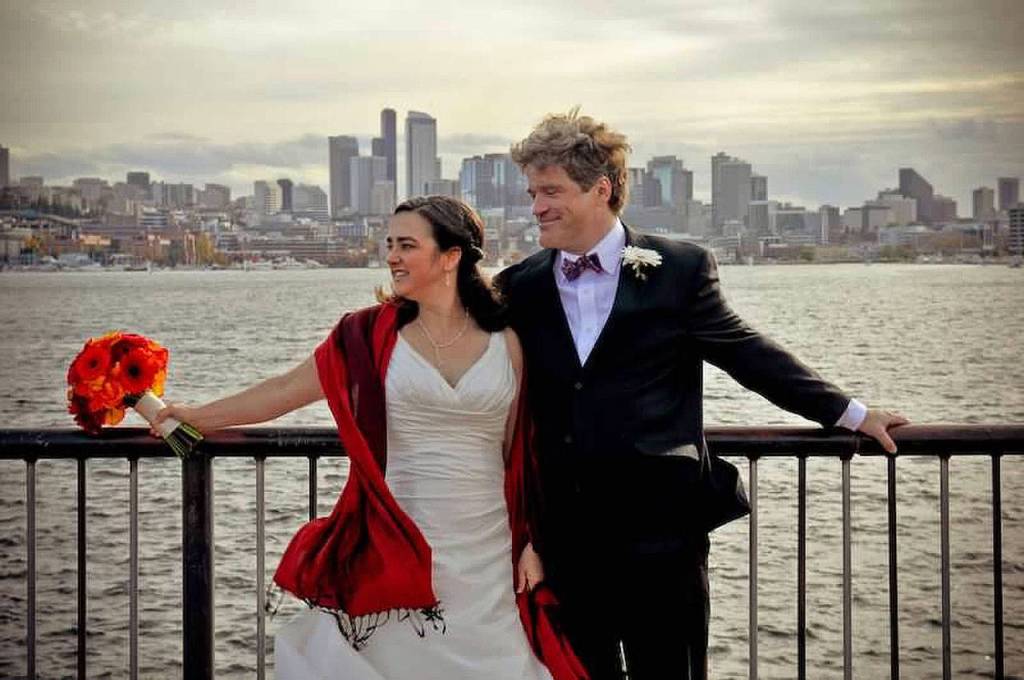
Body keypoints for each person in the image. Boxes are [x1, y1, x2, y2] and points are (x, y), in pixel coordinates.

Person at [494, 110, 908, 680]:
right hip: (566, 541)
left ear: (602, 189)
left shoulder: (680, 269)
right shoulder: (521, 286)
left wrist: (853, 413)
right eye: (532, 191)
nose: (535, 206)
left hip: (662, 535)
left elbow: (747, 353)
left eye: (550, 191)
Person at [153, 195, 586, 680]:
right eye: (389, 244)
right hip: (397, 537)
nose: (392, 256)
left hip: (490, 548)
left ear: (451, 256)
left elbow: (521, 455)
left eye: (407, 245)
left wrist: (534, 542)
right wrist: (195, 416)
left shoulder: (508, 343)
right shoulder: (366, 336)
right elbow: (284, 390)